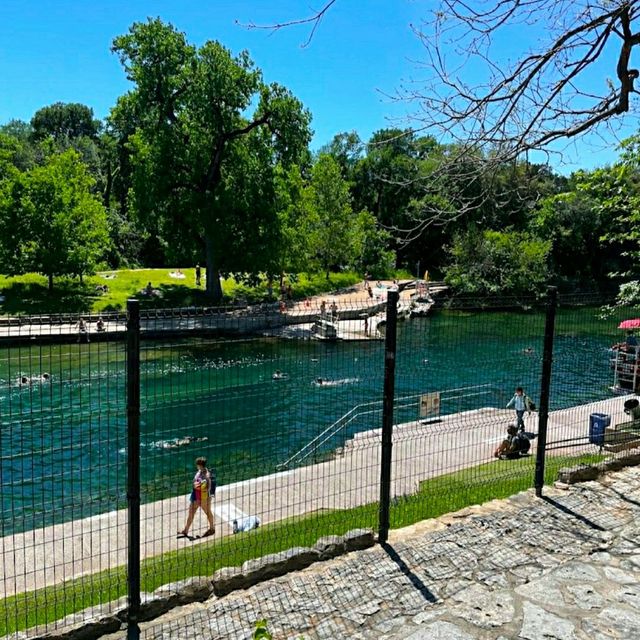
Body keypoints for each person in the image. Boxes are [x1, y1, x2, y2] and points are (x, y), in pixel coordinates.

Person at [178, 456, 216, 538]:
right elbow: (195, 482)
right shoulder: (199, 471)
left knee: (207, 512)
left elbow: (208, 488)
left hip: (204, 498)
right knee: (191, 512)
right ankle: (186, 530)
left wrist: (201, 495)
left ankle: (212, 528)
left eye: (197, 464)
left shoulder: (207, 475)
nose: (196, 465)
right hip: (195, 495)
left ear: (200, 465)